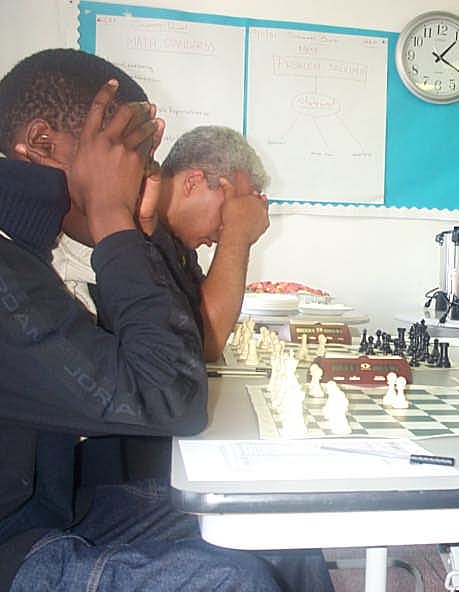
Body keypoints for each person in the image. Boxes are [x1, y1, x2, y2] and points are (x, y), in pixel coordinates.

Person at [0, 48, 332, 591]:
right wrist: (112, 215)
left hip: (54, 513)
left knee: (278, 525)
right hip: (14, 546)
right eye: (127, 155)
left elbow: (170, 354)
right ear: (42, 146)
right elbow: (172, 395)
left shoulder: (29, 252)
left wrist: (136, 227)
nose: (147, 179)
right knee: (233, 580)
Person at [54, 124, 271, 363]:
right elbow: (203, 343)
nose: (222, 231)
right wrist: (238, 233)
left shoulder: (176, 246)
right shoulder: (123, 228)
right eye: (229, 210)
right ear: (193, 182)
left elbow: (199, 324)